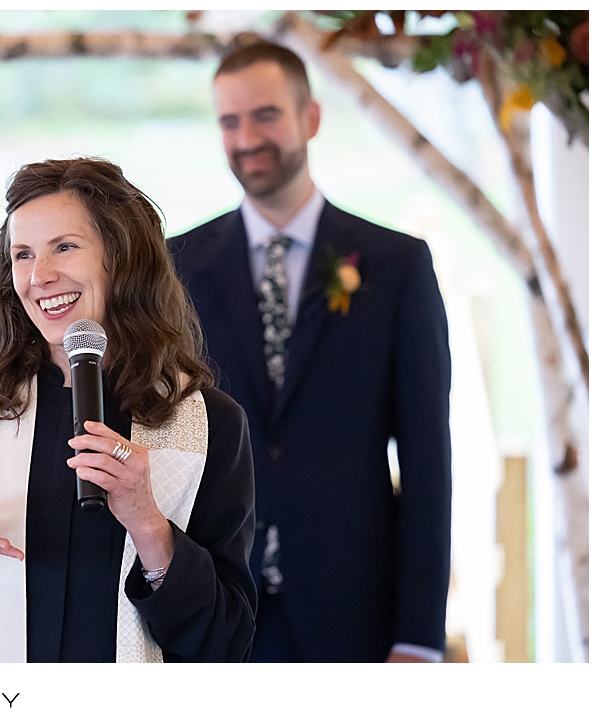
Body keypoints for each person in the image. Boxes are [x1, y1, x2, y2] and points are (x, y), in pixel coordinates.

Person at [0, 158, 257, 663]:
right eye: (23, 254)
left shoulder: (208, 422)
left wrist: (148, 524)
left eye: (65, 248)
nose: (40, 276)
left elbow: (226, 645)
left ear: (121, 258)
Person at [169, 39, 452, 663]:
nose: (246, 138)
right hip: (217, 607)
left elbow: (430, 462)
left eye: (265, 115)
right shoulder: (176, 265)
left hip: (354, 608)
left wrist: (419, 638)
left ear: (311, 118)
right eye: (229, 121)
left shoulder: (396, 266)